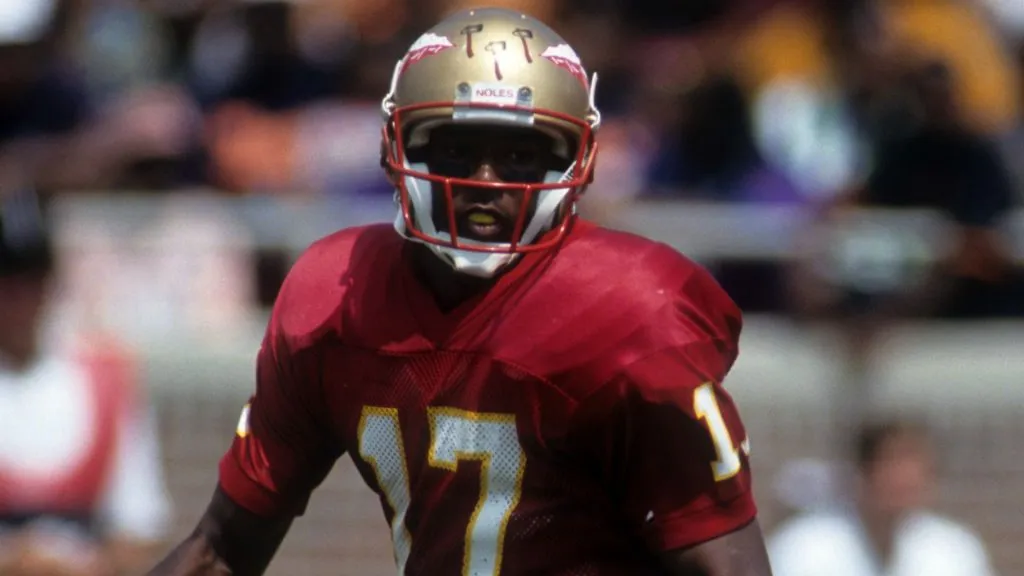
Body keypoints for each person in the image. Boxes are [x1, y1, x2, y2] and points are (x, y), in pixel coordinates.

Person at [148, 7, 772, 576]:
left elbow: (729, 567)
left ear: (575, 162)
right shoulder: (333, 297)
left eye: (521, 155)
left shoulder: (631, 313)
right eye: (455, 148)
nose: (485, 182)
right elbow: (222, 548)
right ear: (399, 145)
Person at [0, 190, 172, 575]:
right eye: (7, 285)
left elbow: (140, 526)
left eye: (31, 282)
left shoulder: (104, 378)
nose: (18, 300)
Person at [767, 418, 995, 576]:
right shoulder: (802, 548)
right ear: (863, 473)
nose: (903, 483)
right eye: (892, 469)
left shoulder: (954, 550)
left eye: (915, 473)